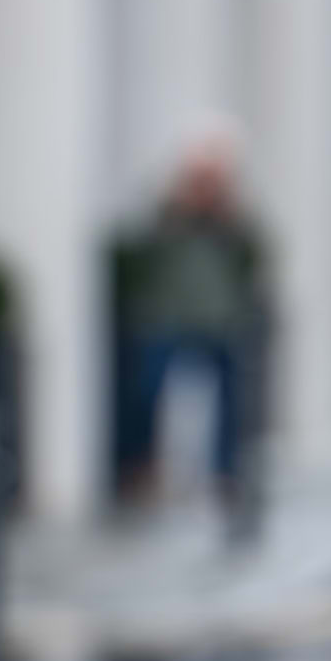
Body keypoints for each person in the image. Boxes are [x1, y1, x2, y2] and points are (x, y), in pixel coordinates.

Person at [112, 129, 274, 542]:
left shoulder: (233, 219)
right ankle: (141, 465)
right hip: (166, 318)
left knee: (229, 404)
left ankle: (225, 474)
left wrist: (227, 216)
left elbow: (255, 257)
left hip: (220, 321)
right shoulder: (167, 213)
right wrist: (178, 211)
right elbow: (140, 247)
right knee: (146, 390)